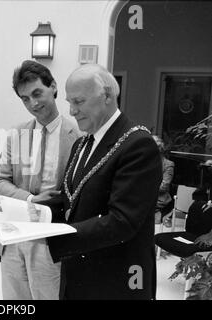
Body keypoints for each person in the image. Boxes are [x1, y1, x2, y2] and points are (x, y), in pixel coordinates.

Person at [47, 64, 162, 300]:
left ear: (107, 96)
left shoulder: (138, 144)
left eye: (78, 101)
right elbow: (74, 198)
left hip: (117, 280)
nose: (72, 111)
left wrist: (56, 235)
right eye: (69, 102)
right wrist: (32, 214)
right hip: (79, 275)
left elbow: (123, 221)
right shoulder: (82, 144)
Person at [0, 60, 81, 300]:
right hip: (15, 235)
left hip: (52, 238)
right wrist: (30, 198)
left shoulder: (79, 136)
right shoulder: (17, 133)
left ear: (53, 87)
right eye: (25, 98)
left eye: (37, 93)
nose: (33, 103)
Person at [152, 135, 175, 225]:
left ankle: (165, 214)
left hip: (158, 201)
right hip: (144, 200)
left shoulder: (168, 164)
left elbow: (163, 187)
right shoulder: (145, 163)